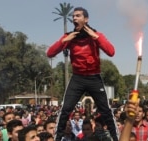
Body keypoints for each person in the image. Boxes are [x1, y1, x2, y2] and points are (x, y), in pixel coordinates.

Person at [46, 7, 117, 141]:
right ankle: (57, 138)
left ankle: (116, 138)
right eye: (73, 17)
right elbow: (49, 53)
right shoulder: (69, 37)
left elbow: (111, 52)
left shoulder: (97, 35)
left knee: (106, 110)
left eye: (78, 16)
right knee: (65, 109)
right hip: (77, 78)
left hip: (94, 77)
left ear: (86, 19)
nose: (74, 19)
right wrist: (64, 41)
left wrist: (96, 37)